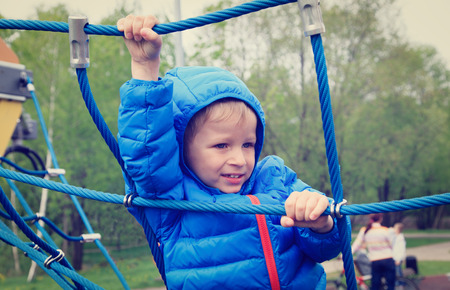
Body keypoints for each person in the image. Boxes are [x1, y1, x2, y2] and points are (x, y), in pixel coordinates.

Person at [116, 14, 344, 289]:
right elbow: (147, 151)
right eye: (221, 145)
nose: (239, 159)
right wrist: (144, 66)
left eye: (247, 144)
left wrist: (321, 225)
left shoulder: (275, 180)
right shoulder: (172, 200)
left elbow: (327, 248)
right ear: (181, 149)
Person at [352, 213, 396, 290]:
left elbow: (356, 244)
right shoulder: (385, 230)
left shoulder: (365, 230)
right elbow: (392, 245)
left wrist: (344, 255)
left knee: (375, 285)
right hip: (388, 259)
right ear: (380, 218)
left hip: (375, 261)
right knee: (390, 284)